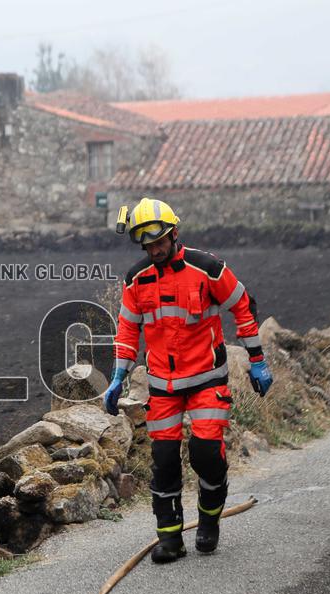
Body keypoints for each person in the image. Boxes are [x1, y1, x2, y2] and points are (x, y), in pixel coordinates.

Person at [102, 198, 272, 564]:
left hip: (207, 381)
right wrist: (118, 374)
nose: (155, 249)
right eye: (147, 245)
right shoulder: (136, 279)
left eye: (160, 241)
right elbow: (128, 330)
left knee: (206, 453)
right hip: (163, 385)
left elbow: (243, 305)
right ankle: (170, 539)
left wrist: (257, 359)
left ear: (174, 233)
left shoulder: (207, 269)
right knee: (163, 460)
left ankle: (209, 521)